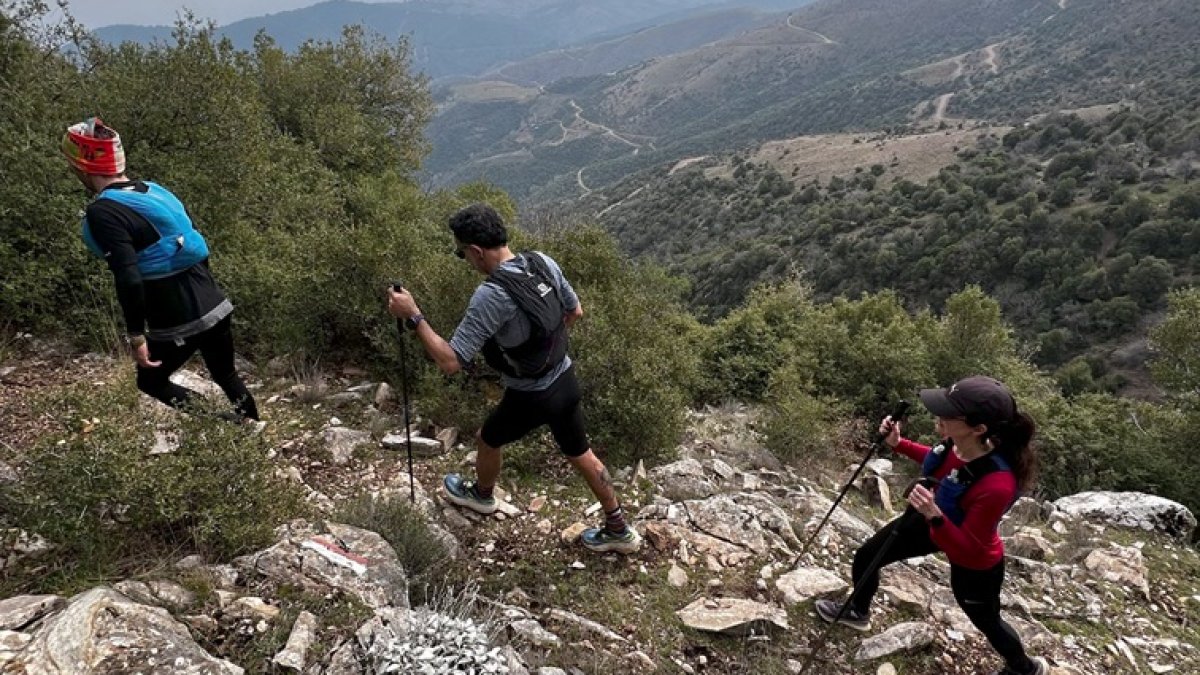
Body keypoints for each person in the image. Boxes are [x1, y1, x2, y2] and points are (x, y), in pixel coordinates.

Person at [387, 203, 640, 554]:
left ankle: (482, 495)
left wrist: (414, 315)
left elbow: (450, 361)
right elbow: (575, 311)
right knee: (581, 453)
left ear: (476, 251)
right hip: (565, 379)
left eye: (462, 254)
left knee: (488, 438)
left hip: (531, 394)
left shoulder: (491, 295)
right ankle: (619, 529)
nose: (465, 260)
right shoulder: (542, 262)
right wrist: (543, 351)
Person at [815, 376, 1049, 675]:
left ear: (979, 428)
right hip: (933, 520)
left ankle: (1025, 668)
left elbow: (968, 545)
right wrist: (898, 444)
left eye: (948, 413)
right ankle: (857, 610)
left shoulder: (997, 484)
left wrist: (933, 514)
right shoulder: (961, 444)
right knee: (868, 555)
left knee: (984, 618)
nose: (938, 416)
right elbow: (939, 460)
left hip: (972, 557)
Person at [62, 117, 259, 424]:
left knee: (151, 381)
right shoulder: (154, 191)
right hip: (214, 300)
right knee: (226, 374)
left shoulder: (103, 211)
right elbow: (194, 241)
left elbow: (129, 277)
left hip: (178, 314)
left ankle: (226, 426)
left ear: (82, 166)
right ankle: (254, 431)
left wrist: (136, 336)